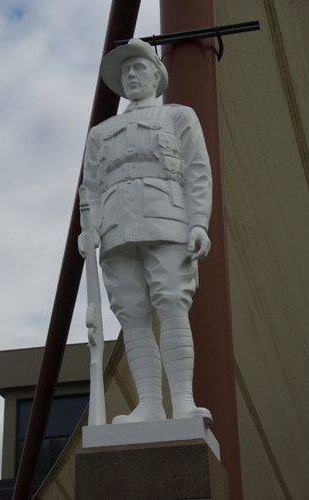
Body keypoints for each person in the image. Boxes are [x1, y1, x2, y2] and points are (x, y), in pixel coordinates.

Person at [79, 38, 213, 425]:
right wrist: (89, 232)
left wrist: (199, 222)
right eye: (125, 72)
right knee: (133, 317)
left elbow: (196, 172)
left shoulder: (179, 116)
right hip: (116, 232)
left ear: (157, 76)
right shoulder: (100, 134)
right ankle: (150, 405)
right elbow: (91, 187)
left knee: (172, 304)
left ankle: (183, 402)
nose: (132, 75)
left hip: (167, 222)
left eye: (139, 68)